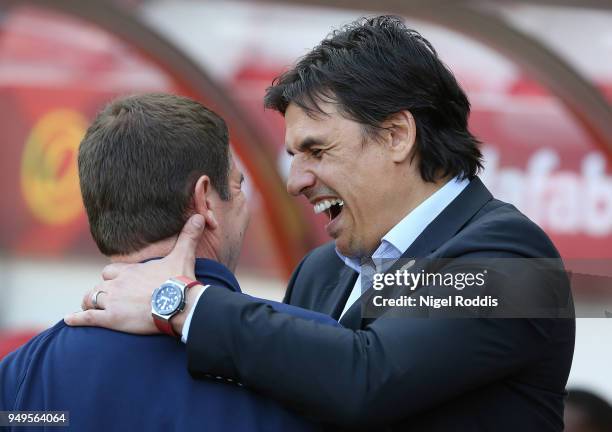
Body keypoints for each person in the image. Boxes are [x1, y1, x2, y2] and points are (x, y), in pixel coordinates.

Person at [67, 16, 575, 431]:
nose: (296, 180)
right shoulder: (320, 273)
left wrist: (179, 303)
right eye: (293, 155)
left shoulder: (512, 259)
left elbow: (367, 377)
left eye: (316, 150)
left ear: (397, 135)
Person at [0, 93, 338, 431]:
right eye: (237, 188)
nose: (241, 206)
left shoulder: (20, 377)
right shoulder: (315, 357)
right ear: (205, 199)